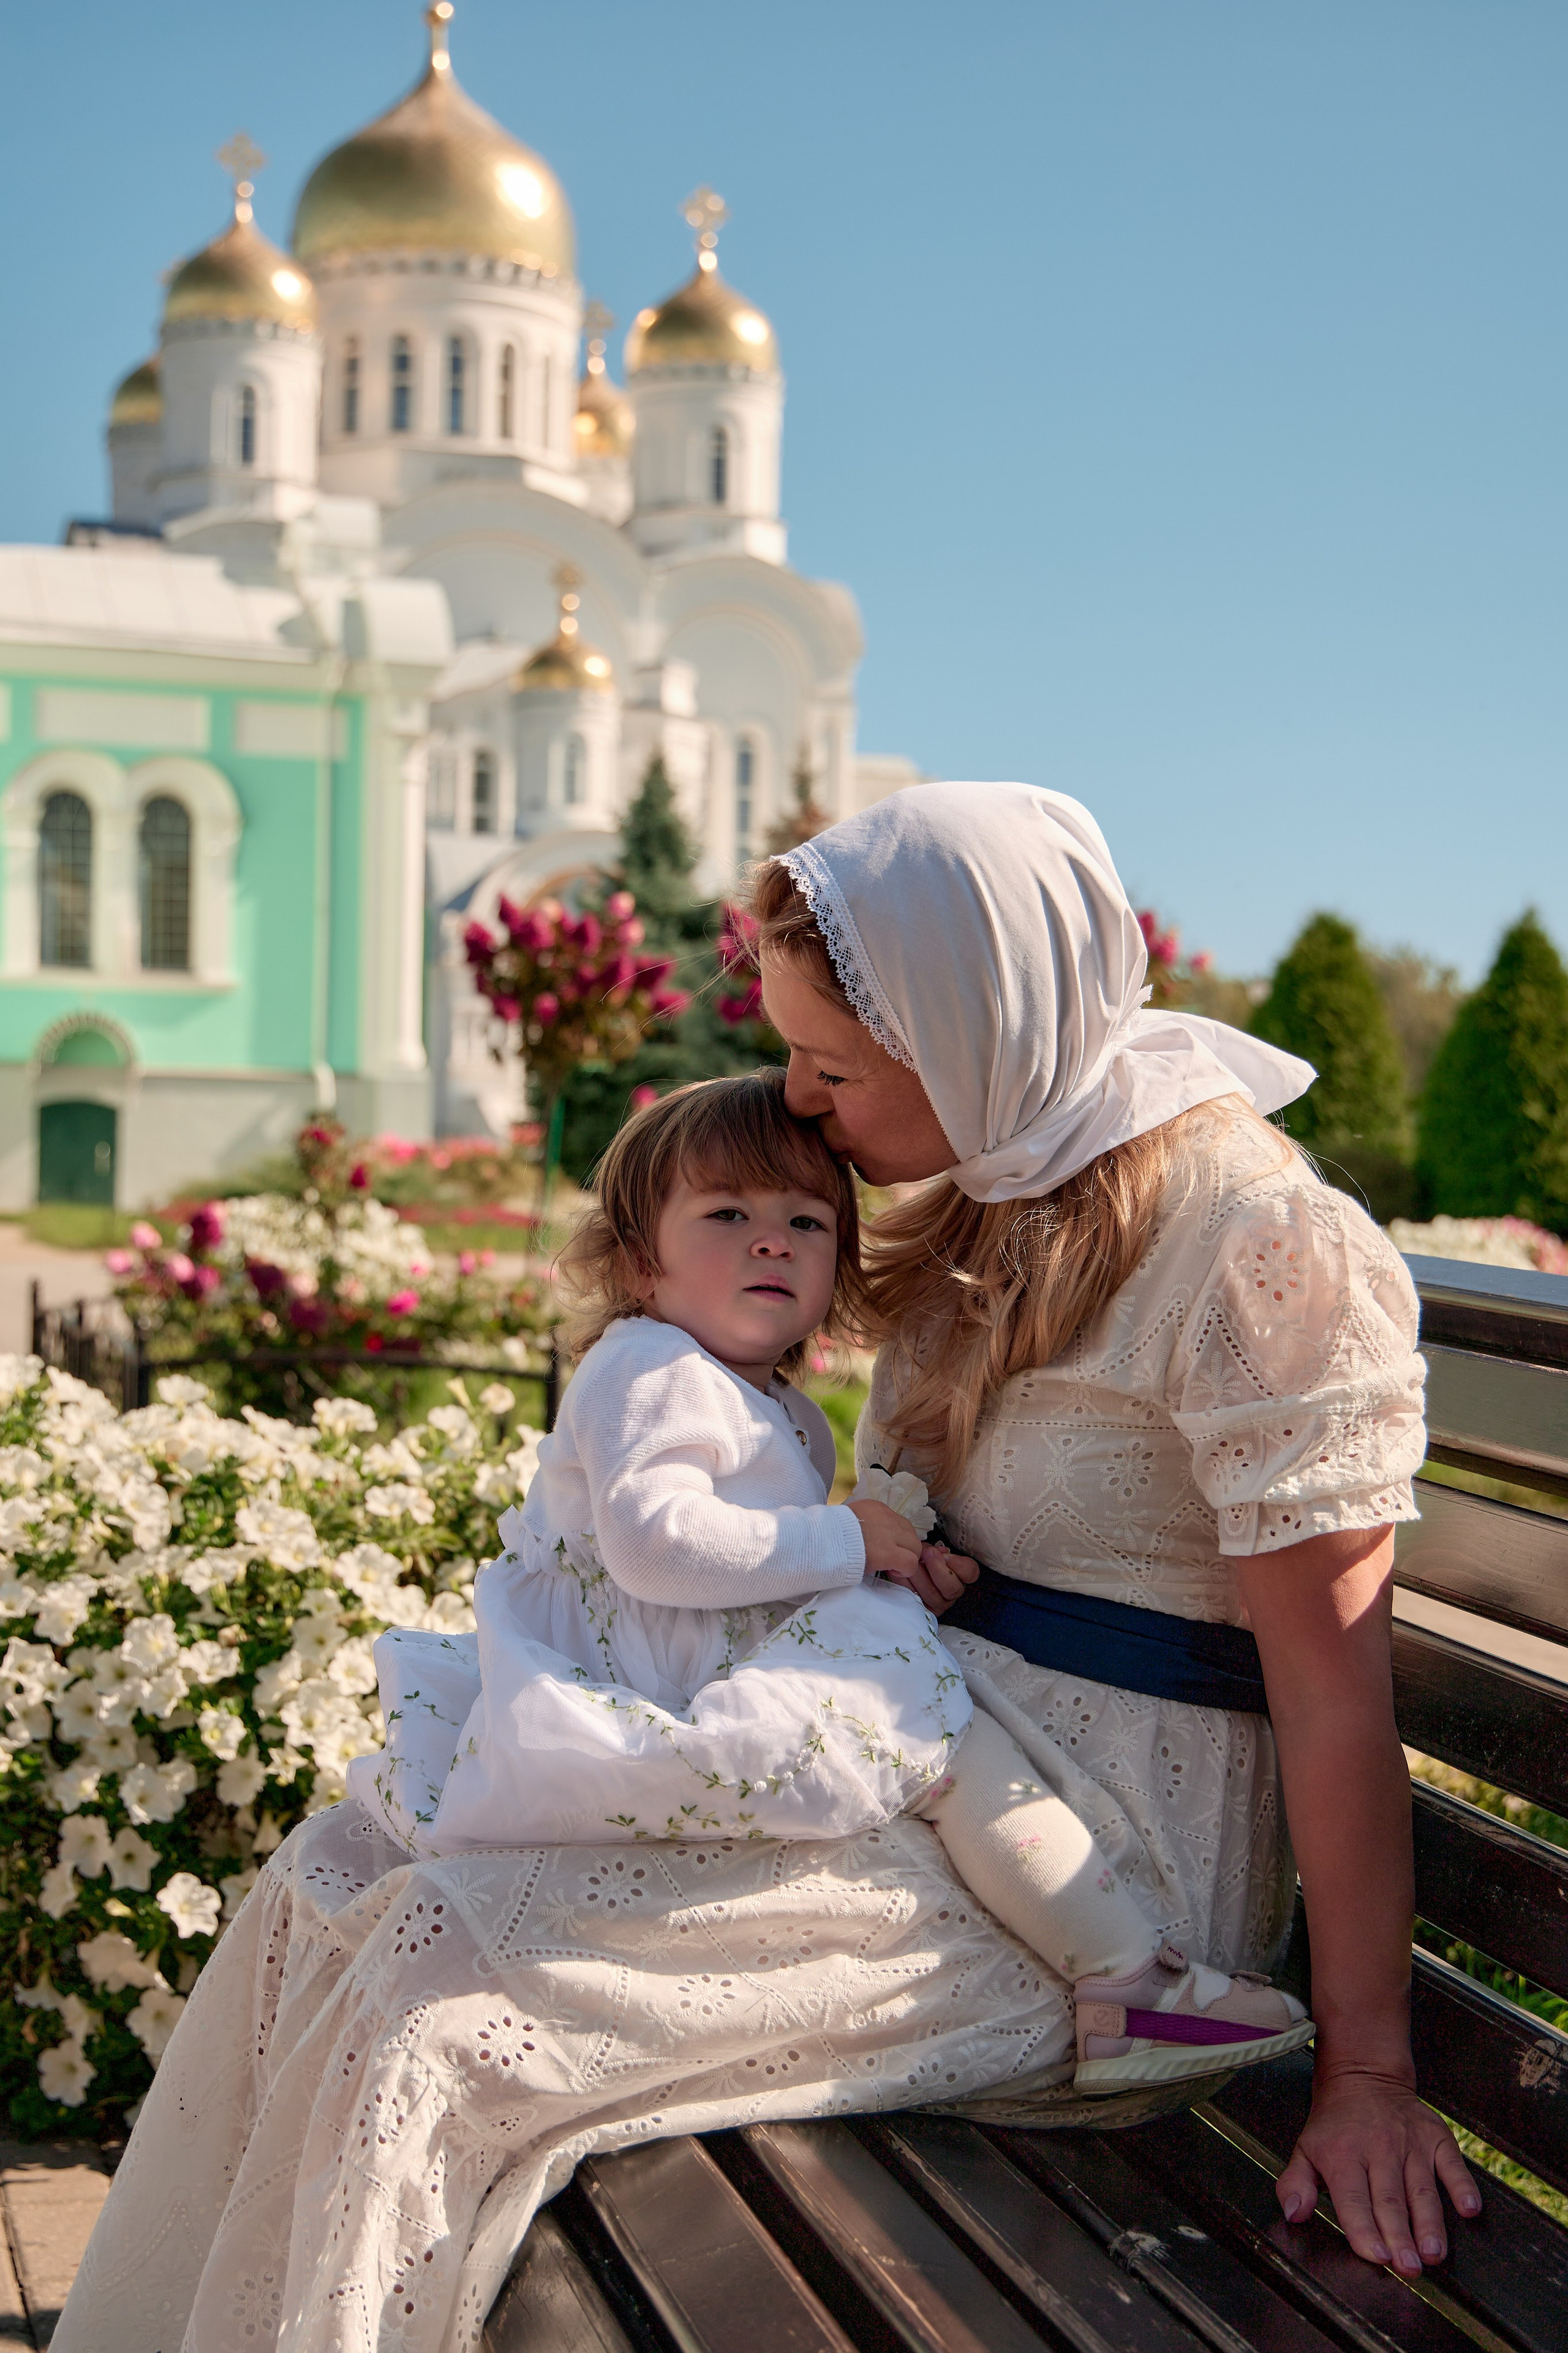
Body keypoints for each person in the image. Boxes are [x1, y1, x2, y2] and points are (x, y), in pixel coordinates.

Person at [56, 784, 1475, 2353]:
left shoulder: (1256, 1243)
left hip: (1106, 1871)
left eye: (834, 1065)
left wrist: (1365, 2073)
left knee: (442, 2018)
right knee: (341, 1874)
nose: (799, 1101)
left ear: (976, 1028)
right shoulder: (1001, 1186)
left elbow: (1332, 1681)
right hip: (901, 1754)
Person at [353, 1068, 1312, 2093]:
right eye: (727, 1213)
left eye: (807, 1221)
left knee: (927, 1731)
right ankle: (1124, 1979)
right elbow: (658, 1544)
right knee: (944, 1743)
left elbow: (767, 1557)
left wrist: (890, 1567)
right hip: (651, 1679)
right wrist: (851, 1546)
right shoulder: (648, 1368)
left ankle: (1119, 1978)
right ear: (639, 1262)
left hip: (695, 1659)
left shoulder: (776, 1407)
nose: (772, 1239)